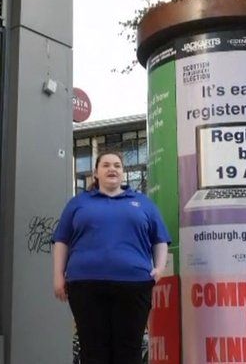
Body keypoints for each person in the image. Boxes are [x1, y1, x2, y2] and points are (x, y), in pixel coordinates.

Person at [52, 151, 170, 364]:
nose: (112, 169)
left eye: (117, 165)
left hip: (134, 286)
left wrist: (159, 269)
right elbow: (62, 241)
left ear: (123, 172)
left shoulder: (143, 203)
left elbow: (160, 239)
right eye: (106, 165)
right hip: (85, 286)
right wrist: (58, 276)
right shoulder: (78, 203)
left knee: (129, 350)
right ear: (96, 172)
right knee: (93, 350)